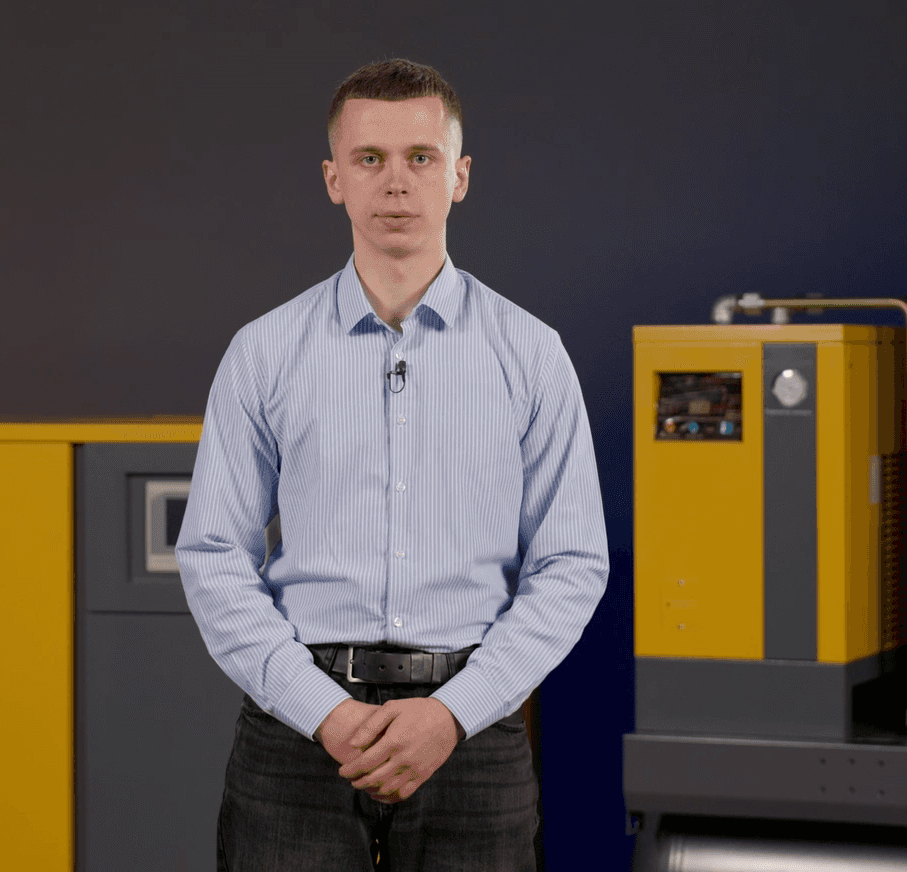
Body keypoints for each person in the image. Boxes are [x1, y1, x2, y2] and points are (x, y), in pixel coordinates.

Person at [176, 58, 609, 872]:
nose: (397, 183)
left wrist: (452, 713)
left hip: (472, 740)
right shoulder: (264, 352)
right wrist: (322, 711)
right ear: (334, 179)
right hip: (296, 737)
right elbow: (211, 557)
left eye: (422, 157)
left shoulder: (531, 354)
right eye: (370, 159)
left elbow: (573, 563)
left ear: (461, 176)